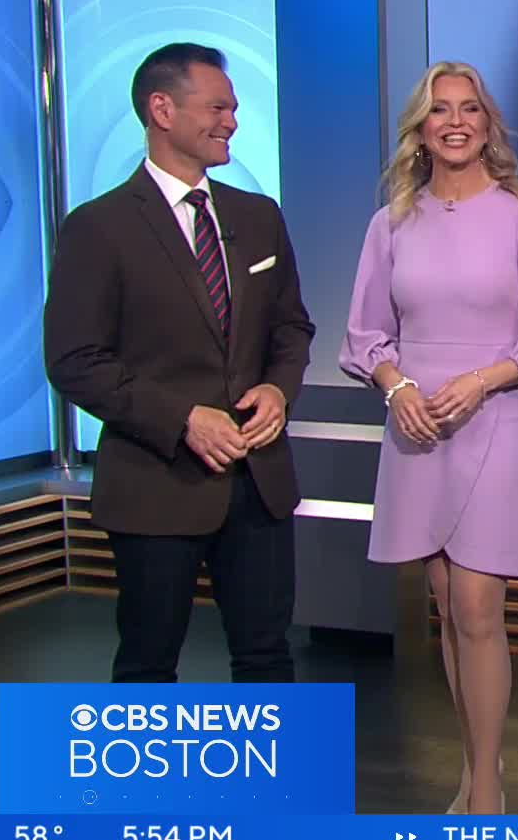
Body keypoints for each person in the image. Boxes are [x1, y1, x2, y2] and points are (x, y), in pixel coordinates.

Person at [340, 61, 518, 816]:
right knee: (446, 601)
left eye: (469, 109)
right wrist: (396, 386)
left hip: (491, 421)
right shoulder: (391, 223)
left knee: (478, 603)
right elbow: (364, 335)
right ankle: (482, 767)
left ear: (487, 124)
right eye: (439, 109)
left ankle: (483, 794)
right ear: (420, 126)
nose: (455, 121)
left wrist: (483, 380)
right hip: (416, 428)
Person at [44, 42, 315, 684]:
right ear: (161, 109)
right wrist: (183, 418)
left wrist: (278, 391)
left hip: (257, 483)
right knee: (147, 665)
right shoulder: (99, 227)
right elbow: (74, 359)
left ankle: (270, 789)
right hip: (155, 483)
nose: (232, 121)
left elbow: (291, 326)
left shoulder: (257, 217)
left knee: (267, 657)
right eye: (217, 106)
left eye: (235, 108)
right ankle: (152, 790)